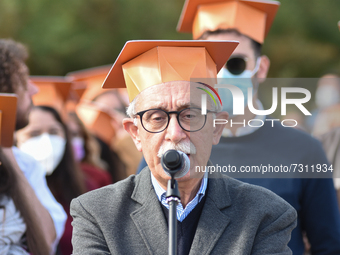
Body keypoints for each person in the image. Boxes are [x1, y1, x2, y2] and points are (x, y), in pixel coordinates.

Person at [70, 40, 297, 254]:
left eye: (190, 115)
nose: (175, 134)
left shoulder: (264, 214)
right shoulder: (97, 213)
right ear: (136, 133)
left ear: (216, 128)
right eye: (157, 118)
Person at [176, 0, 340, 254]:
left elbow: (328, 245)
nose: (221, 76)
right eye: (211, 65)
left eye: (236, 64)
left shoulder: (304, 150)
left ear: (261, 68)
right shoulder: (174, 148)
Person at [15, 105, 112, 254]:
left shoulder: (87, 186)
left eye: (54, 132)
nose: (46, 141)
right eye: (34, 134)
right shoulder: (8, 192)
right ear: (15, 139)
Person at [0, 38, 67, 253]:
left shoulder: (24, 163)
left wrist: (6, 151)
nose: (34, 89)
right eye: (23, 80)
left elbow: (47, 240)